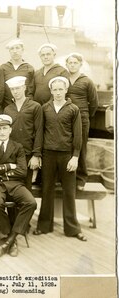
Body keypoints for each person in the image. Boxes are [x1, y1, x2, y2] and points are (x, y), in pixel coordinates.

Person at [33, 76, 87, 242]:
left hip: (66, 156)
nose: (57, 92)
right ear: (51, 91)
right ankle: (43, 225)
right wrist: (39, 154)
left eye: (60, 89)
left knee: (69, 192)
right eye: (54, 89)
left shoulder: (73, 109)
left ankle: (72, 228)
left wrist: (75, 157)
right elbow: (40, 132)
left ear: (65, 90)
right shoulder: (45, 108)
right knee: (46, 189)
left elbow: (78, 135)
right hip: (49, 155)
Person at [0, 114, 37, 257]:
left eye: (5, 128)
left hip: (15, 184)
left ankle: (10, 239)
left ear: (10, 130)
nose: (2, 132)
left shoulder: (18, 147)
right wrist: (9, 166)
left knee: (30, 202)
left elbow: (22, 171)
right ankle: (8, 234)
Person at [66, 52, 99, 190]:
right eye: (70, 63)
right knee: (67, 147)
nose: (72, 65)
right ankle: (67, 178)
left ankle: (81, 178)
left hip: (82, 119)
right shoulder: (64, 79)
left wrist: (84, 115)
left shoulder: (87, 81)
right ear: (66, 64)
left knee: (81, 148)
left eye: (75, 63)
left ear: (80, 64)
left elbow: (94, 102)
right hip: (67, 119)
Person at [3, 76, 43, 190]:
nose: (15, 92)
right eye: (13, 89)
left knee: (26, 189)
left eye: (18, 88)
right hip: (11, 154)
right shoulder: (8, 109)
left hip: (27, 153)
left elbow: (39, 131)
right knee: (11, 187)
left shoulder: (35, 106)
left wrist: (36, 155)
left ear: (24, 87)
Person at [1, 39, 34, 107]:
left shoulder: (29, 68)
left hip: (24, 106)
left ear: (22, 50)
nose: (15, 51)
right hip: (7, 105)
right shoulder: (3, 68)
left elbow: (31, 89)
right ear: (9, 51)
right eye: (12, 49)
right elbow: (1, 88)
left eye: (17, 48)